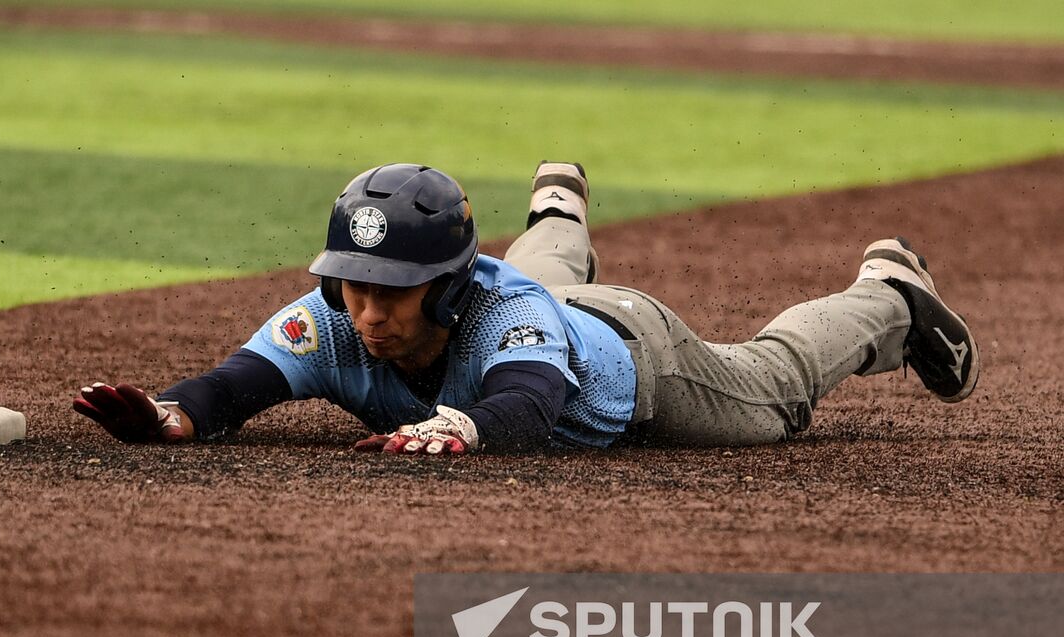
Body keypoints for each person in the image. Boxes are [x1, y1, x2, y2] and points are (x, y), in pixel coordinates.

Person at [73, 162, 979, 454]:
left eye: (393, 291)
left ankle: (888, 293)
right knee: (543, 276)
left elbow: (529, 402)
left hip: (642, 354)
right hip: (555, 297)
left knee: (775, 388)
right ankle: (556, 212)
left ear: (449, 286)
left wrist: (459, 431)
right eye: (354, 283)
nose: (370, 310)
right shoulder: (340, 315)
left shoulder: (508, 321)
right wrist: (174, 412)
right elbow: (239, 381)